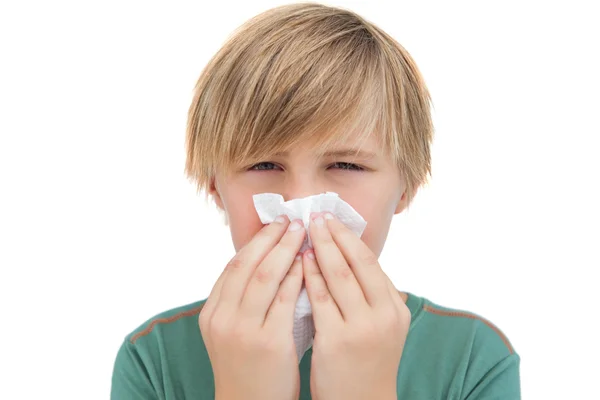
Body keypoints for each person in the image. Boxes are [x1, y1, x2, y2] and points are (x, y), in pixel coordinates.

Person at [110, 3, 521, 399]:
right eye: (264, 164)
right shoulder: (153, 359)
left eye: (346, 164)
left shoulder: (474, 359)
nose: (301, 202)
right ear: (215, 187)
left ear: (407, 187)